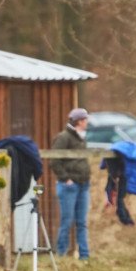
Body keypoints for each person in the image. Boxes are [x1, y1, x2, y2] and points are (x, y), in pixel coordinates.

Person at [49, 108, 91, 261]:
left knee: (82, 222)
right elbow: (54, 160)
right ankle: (61, 254)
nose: (87, 122)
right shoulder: (63, 137)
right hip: (69, 186)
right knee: (66, 221)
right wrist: (66, 178)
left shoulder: (82, 137)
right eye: (85, 119)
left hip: (83, 184)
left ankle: (84, 256)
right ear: (79, 121)